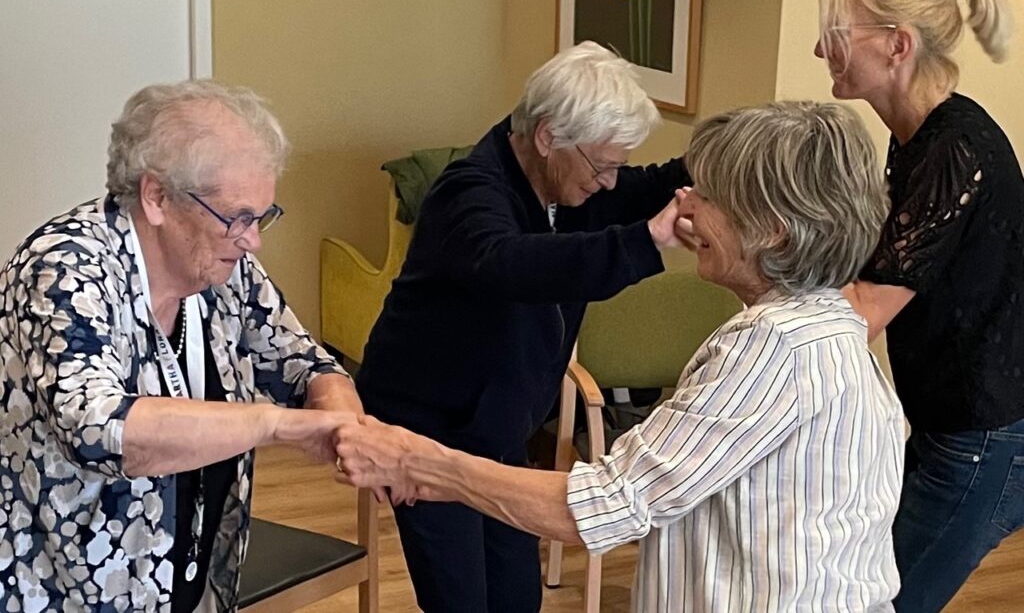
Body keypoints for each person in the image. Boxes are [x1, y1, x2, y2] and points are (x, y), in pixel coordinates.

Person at [338, 101, 906, 612]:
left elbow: (605, 504)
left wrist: (422, 463)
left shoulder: (774, 349)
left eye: (708, 196)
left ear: (773, 235)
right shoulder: (834, 327)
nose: (685, 203)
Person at [0, 81, 367, 612]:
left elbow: (302, 362)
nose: (253, 239)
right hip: (64, 589)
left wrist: (342, 420)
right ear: (157, 198)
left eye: (261, 216)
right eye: (237, 217)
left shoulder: (225, 266)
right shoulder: (62, 267)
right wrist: (271, 425)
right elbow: (101, 430)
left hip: (189, 574)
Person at [353, 41, 691, 612]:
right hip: (426, 433)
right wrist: (646, 241)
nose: (611, 183)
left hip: (498, 433)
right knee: (462, 602)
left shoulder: (569, 187)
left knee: (516, 598)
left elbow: (652, 184)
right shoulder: (469, 192)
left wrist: (727, 151)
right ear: (547, 137)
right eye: (602, 166)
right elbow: (512, 264)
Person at [814, 0, 1023, 612]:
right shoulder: (916, 139)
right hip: (949, 425)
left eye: (835, 34)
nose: (820, 50)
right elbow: (876, 269)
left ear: (897, 45)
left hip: (981, 437)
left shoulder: (954, 149)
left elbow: (867, 308)